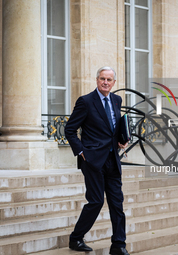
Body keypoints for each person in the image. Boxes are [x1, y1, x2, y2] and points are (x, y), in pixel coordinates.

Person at [65, 66, 130, 255]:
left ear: (114, 83)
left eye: (109, 80)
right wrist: (81, 151)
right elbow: (70, 129)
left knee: (117, 203)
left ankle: (119, 244)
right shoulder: (85, 101)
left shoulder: (117, 100)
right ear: (97, 80)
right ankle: (76, 238)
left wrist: (121, 139)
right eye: (102, 79)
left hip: (112, 159)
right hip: (92, 161)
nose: (106, 82)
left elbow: (112, 127)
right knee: (95, 202)